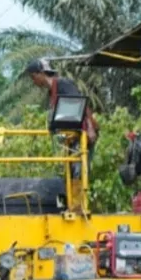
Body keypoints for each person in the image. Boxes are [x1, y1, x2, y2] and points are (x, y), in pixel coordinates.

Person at [24, 58, 99, 211]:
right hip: (71, 138)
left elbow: (81, 104)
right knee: (69, 172)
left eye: (33, 77)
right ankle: (71, 205)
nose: (34, 82)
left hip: (83, 134)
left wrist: (90, 128)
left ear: (41, 73)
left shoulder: (63, 84)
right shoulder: (51, 92)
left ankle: (78, 207)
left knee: (78, 170)